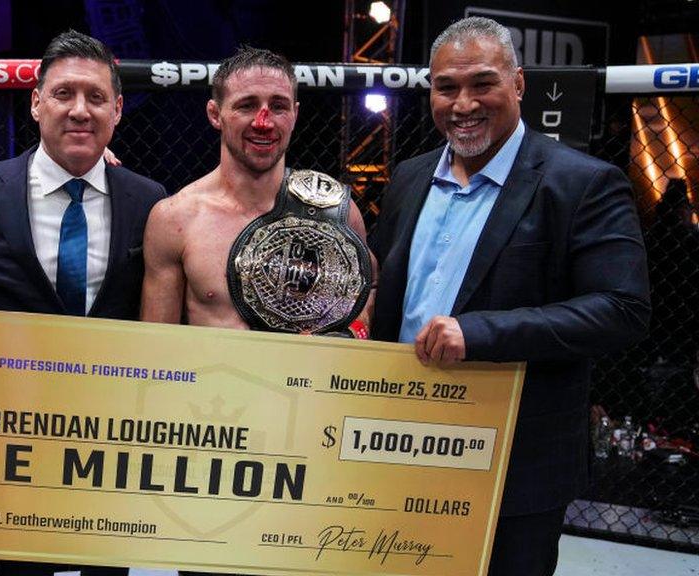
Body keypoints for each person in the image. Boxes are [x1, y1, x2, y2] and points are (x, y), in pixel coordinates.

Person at [368, 16, 649, 576]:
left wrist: (479, 334)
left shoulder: (581, 183)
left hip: (514, 461)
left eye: (482, 83)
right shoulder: (409, 177)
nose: (463, 103)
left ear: (518, 84)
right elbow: (381, 291)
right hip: (396, 443)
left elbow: (622, 310)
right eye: (446, 87)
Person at [0, 29, 165, 576]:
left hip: (110, 444)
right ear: (36, 101)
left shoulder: (150, 200)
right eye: (64, 94)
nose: (79, 111)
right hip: (8, 444)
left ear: (118, 109)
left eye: (96, 97)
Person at [140, 46, 372, 329]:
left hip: (304, 372)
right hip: (212, 372)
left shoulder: (336, 213)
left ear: (295, 115)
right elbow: (156, 344)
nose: (264, 122)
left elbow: (368, 289)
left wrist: (354, 332)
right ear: (215, 114)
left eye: (278, 106)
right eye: (246, 105)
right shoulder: (176, 219)